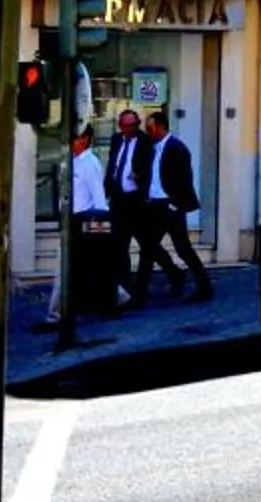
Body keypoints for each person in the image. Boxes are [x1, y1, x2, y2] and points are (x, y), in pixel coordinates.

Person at [133, 109, 212, 299]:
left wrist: (175, 205)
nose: (148, 132)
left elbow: (184, 180)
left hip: (170, 206)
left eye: (150, 128)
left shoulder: (177, 148)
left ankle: (202, 286)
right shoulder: (152, 148)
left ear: (160, 127)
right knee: (149, 247)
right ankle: (148, 288)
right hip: (154, 204)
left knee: (181, 248)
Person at [59, 129, 118, 338]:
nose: (72, 143)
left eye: (75, 138)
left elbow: (98, 195)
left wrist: (101, 223)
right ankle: (89, 303)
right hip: (73, 219)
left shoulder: (90, 163)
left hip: (88, 218)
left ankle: (110, 303)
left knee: (97, 264)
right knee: (82, 266)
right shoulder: (72, 160)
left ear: (84, 140)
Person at [104, 105, 147, 297]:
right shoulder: (116, 140)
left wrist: (141, 179)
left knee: (146, 242)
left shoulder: (145, 142)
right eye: (126, 126)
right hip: (118, 198)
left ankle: (173, 272)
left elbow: (150, 168)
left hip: (136, 200)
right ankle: (126, 283)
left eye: (133, 125)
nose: (130, 129)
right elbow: (112, 165)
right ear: (120, 126)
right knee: (119, 244)